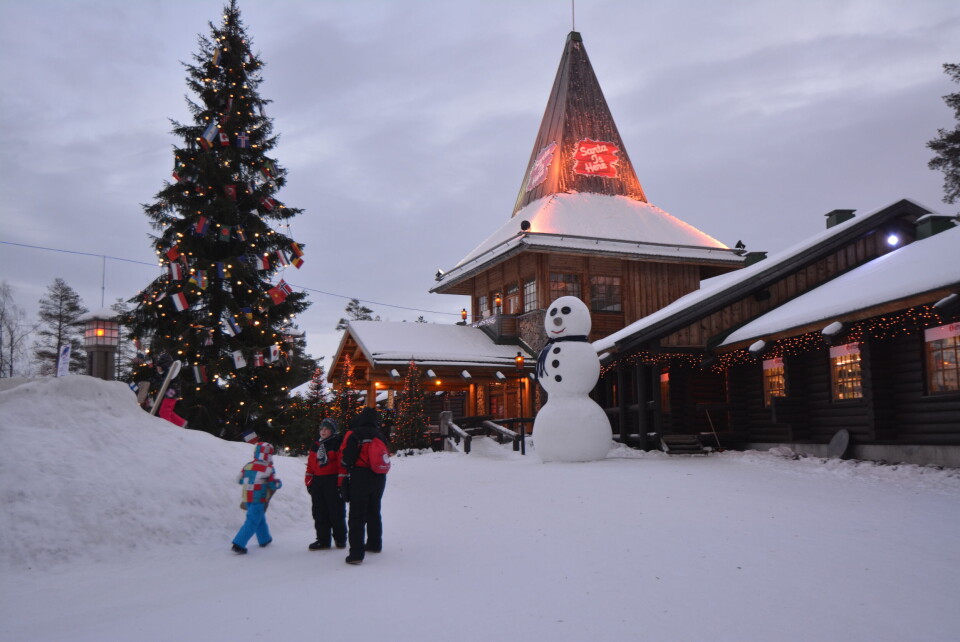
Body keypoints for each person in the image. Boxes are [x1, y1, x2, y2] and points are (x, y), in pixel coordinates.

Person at [340, 407, 388, 565]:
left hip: (361, 475)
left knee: (357, 514)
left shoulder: (356, 434)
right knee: (374, 509)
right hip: (379, 477)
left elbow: (348, 457)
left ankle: (356, 554)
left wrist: (345, 466)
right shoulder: (379, 434)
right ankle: (375, 543)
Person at [304, 418, 347, 551]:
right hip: (318, 482)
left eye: (326, 429)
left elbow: (341, 465)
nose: (323, 431)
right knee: (319, 512)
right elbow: (311, 465)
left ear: (332, 431)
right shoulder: (316, 445)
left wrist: (341, 483)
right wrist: (309, 482)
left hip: (332, 481)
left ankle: (340, 539)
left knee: (336, 511)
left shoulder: (336, 443)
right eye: (322, 429)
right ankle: (323, 540)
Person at [232, 442, 282, 554]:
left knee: (259, 518)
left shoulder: (248, 465)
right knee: (252, 520)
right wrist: (278, 484)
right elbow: (272, 484)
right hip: (258, 498)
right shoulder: (269, 468)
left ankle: (264, 539)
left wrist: (250, 481)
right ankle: (239, 543)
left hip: (247, 497)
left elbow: (239, 480)